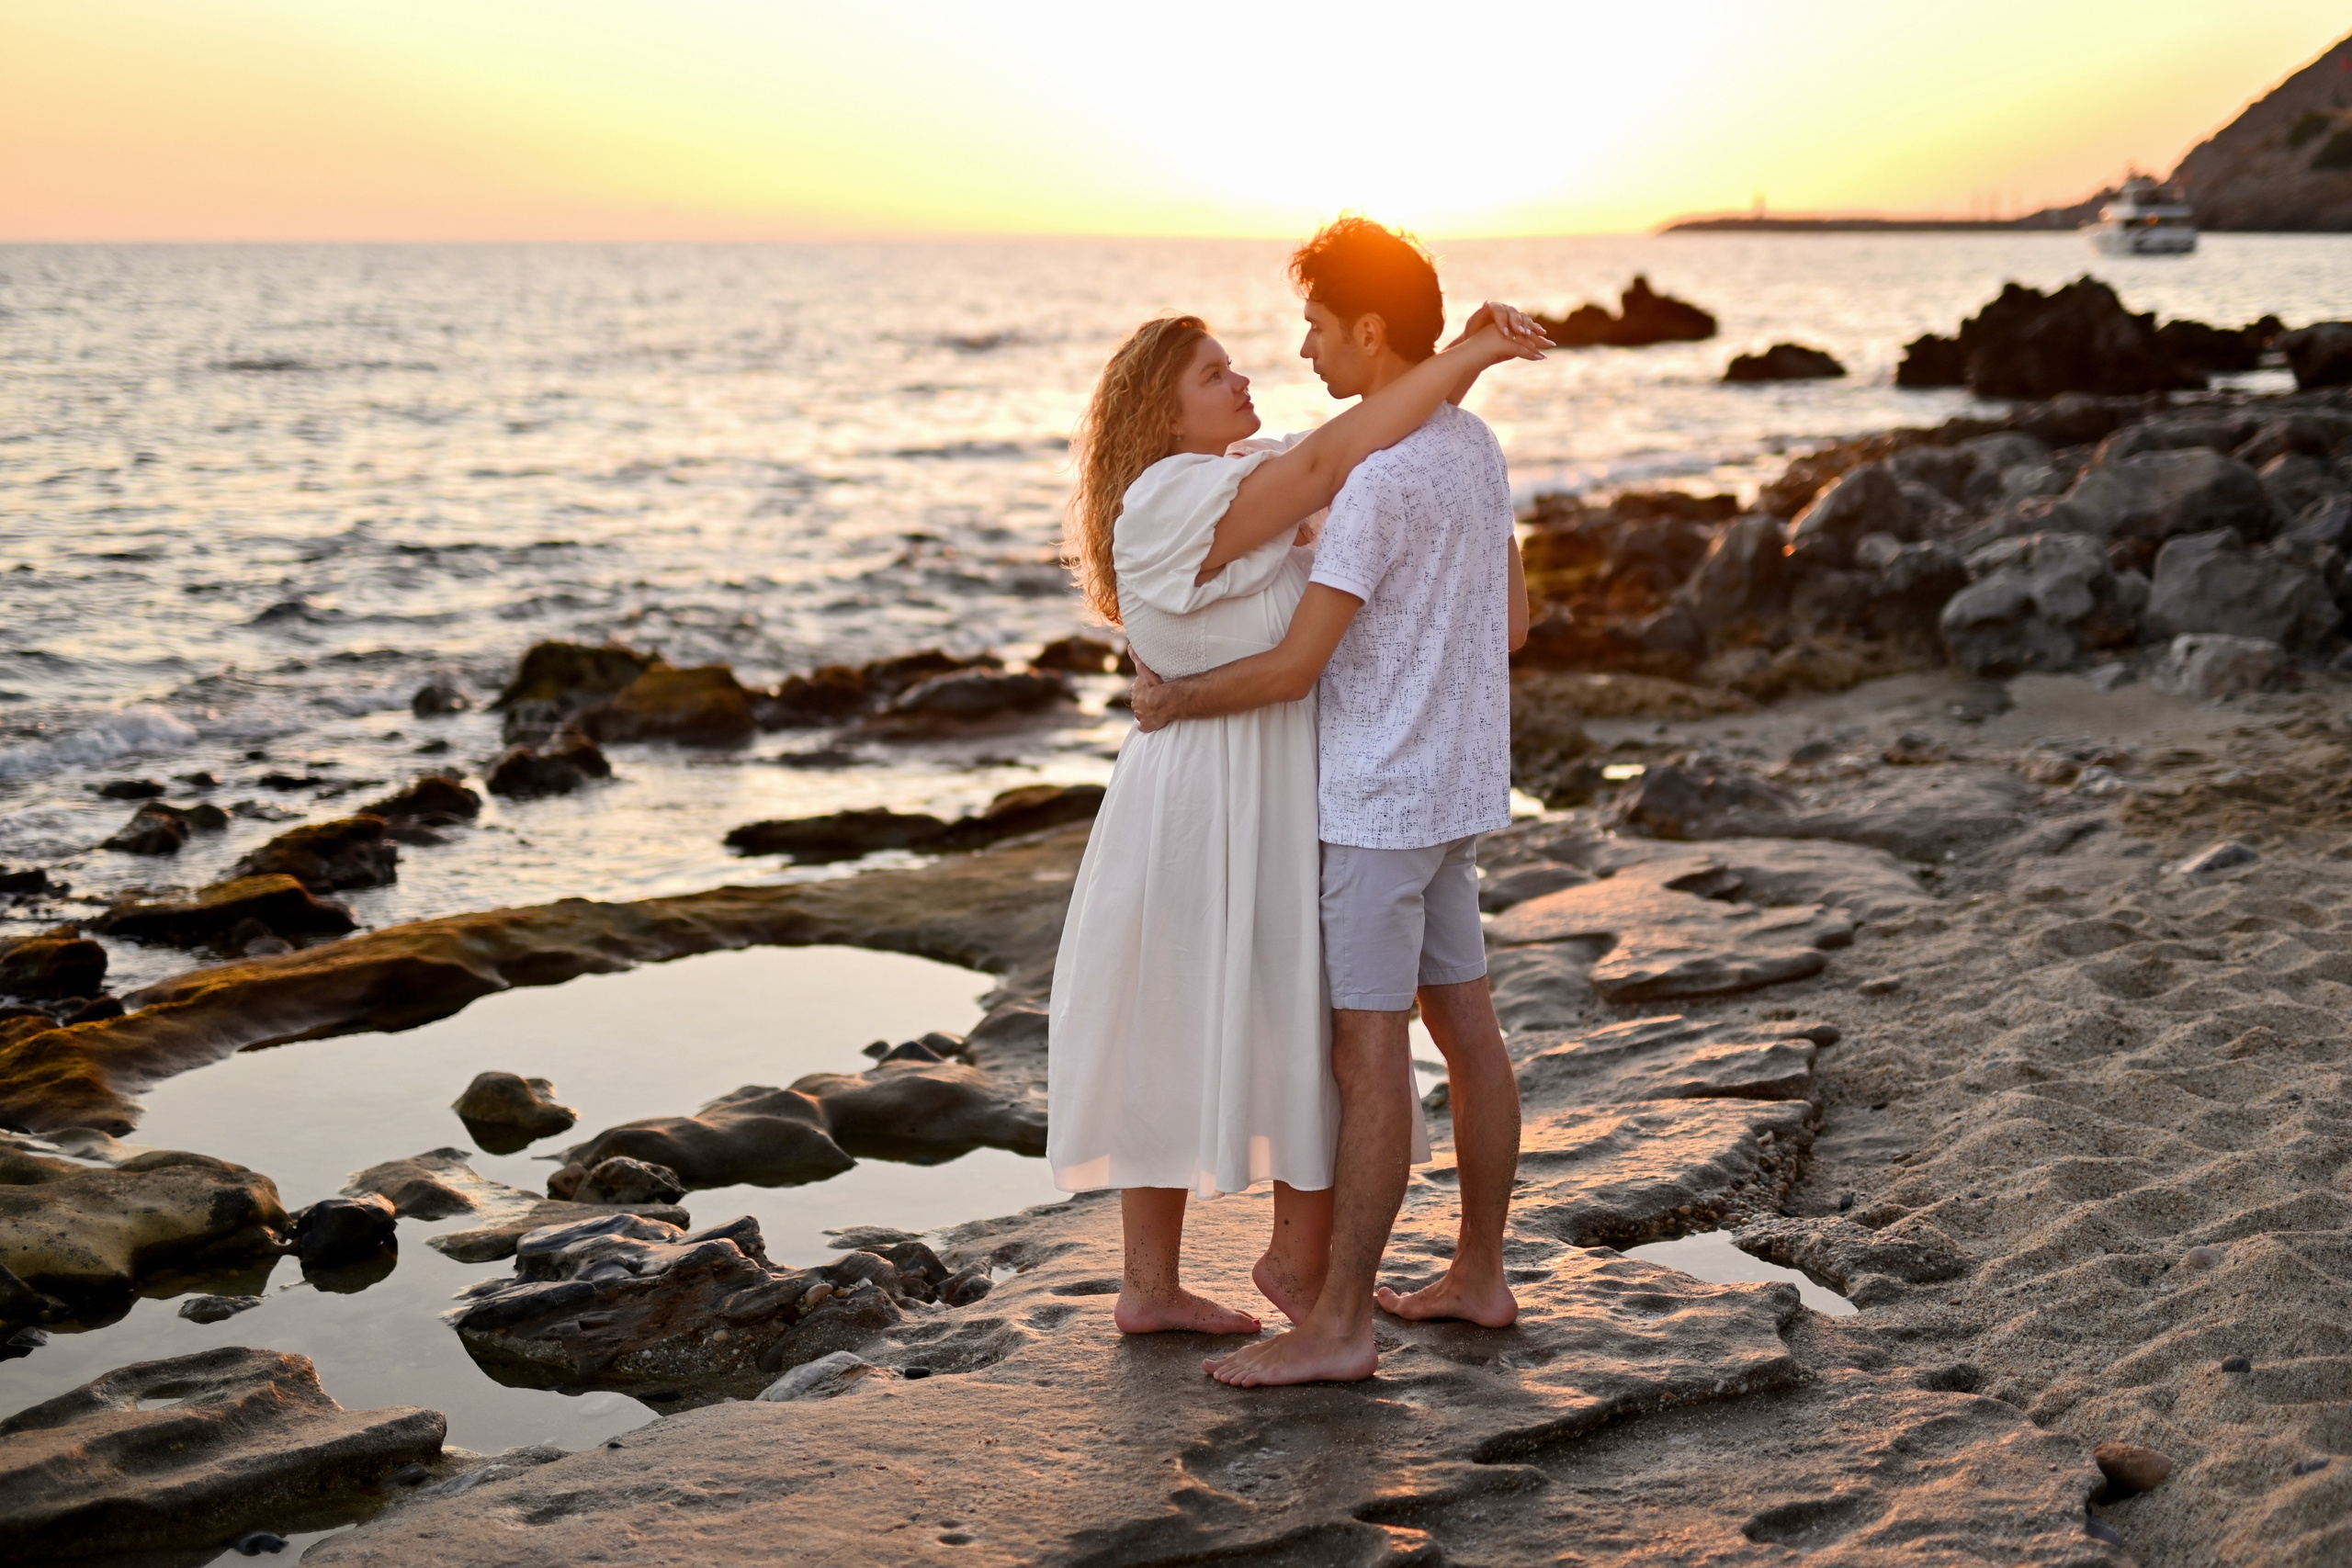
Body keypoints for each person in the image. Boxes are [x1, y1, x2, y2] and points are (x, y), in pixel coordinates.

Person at [1048, 278, 1547, 1337]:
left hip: (1289, 786)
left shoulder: (1247, 472)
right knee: (1176, 1019)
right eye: (1213, 373)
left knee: (1296, 1027)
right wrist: (1464, 357)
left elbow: (1359, 453)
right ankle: (1166, 1283)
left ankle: (1280, 1274)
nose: (1251, 374)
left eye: (1243, 359)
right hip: (1207, 795)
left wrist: (1447, 376)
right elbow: (1337, 465)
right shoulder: (1172, 496)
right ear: (1158, 414)